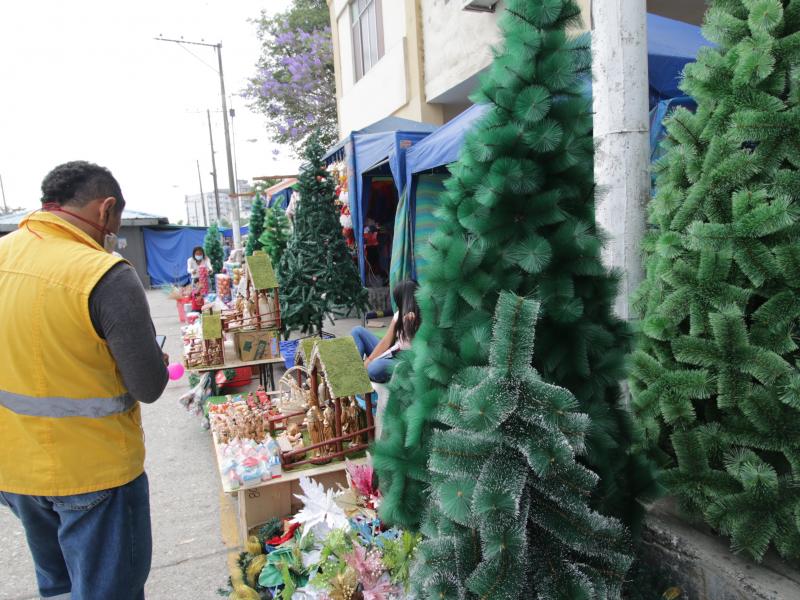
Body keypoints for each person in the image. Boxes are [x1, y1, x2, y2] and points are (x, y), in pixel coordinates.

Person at [0, 161, 169, 599]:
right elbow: (148, 385)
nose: (110, 234)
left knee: (58, 587)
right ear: (106, 209)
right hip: (95, 475)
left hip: (16, 472)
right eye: (113, 224)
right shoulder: (103, 274)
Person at [351, 280, 420, 383]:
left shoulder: (424, 314)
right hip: (393, 352)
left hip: (406, 361)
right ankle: (354, 373)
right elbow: (386, 342)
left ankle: (365, 374)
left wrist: (414, 323)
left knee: (374, 368)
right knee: (357, 331)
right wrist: (368, 360)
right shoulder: (399, 315)